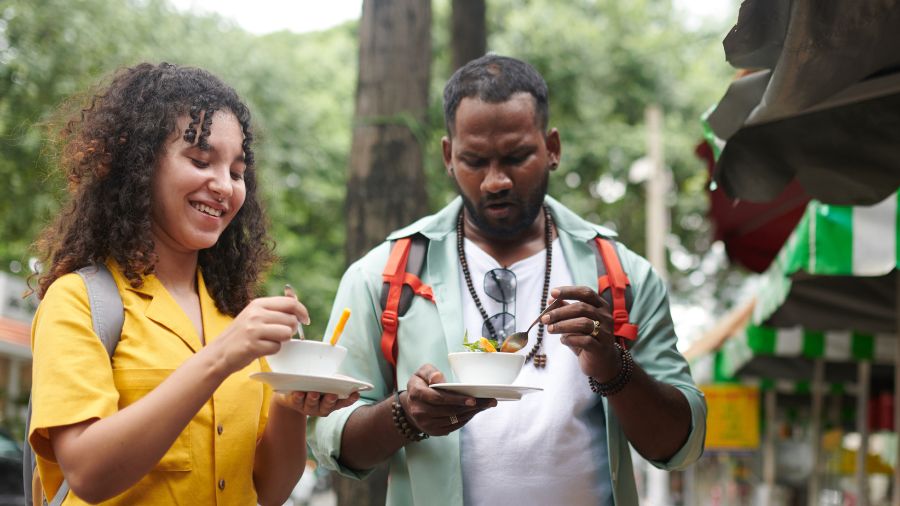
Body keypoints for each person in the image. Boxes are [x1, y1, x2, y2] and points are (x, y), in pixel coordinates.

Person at [308, 54, 707, 505]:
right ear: (448, 156)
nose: (495, 181)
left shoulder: (623, 275)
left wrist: (614, 367)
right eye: (474, 160)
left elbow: (680, 444)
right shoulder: (383, 275)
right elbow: (329, 439)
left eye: (517, 157)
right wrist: (405, 414)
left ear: (552, 148)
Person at [28, 62, 357, 505]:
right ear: (140, 165)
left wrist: (289, 403)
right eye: (201, 161)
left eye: (236, 172)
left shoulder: (236, 314)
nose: (223, 186)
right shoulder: (79, 301)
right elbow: (87, 473)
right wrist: (220, 357)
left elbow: (271, 490)